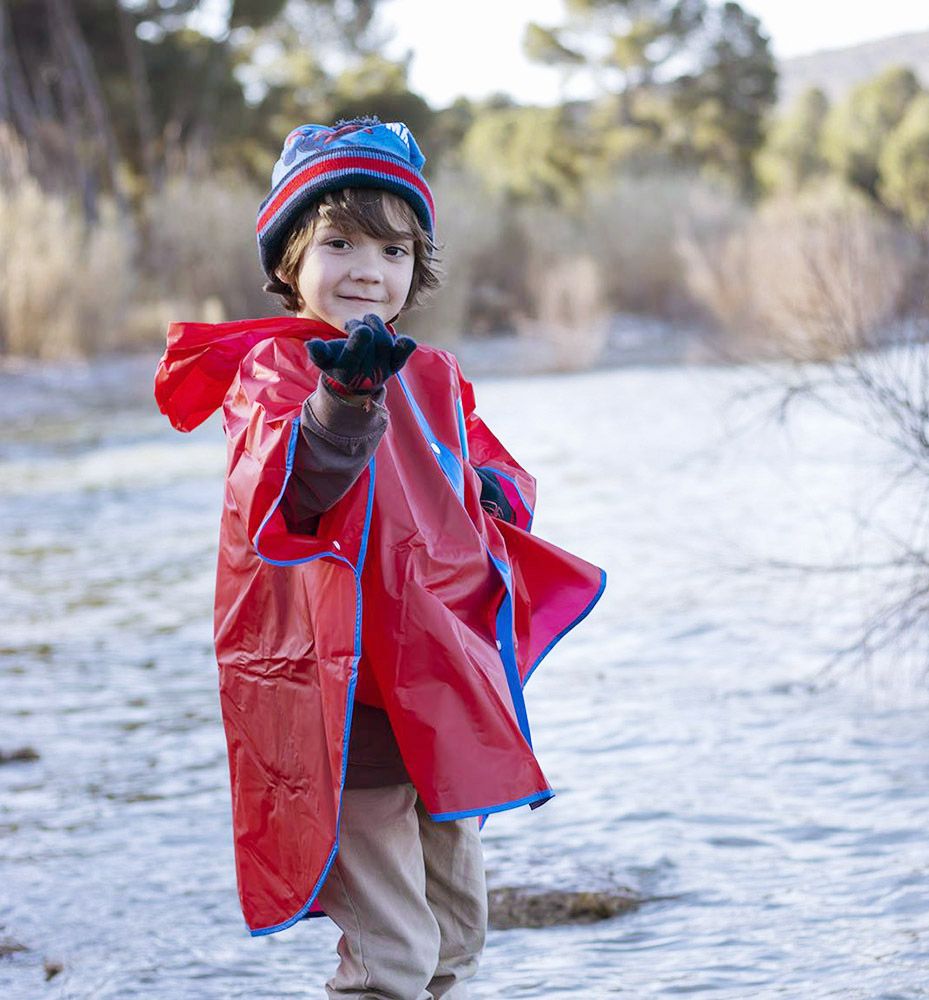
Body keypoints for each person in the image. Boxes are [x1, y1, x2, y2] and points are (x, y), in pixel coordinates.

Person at [154, 116, 606, 999]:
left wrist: (492, 497)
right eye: (341, 241)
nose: (369, 267)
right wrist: (344, 398)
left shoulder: (431, 374)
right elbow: (287, 492)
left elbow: (491, 469)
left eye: (395, 252)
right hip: (345, 702)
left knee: (457, 930)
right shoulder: (280, 376)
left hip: (436, 689)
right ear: (290, 258)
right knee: (391, 950)